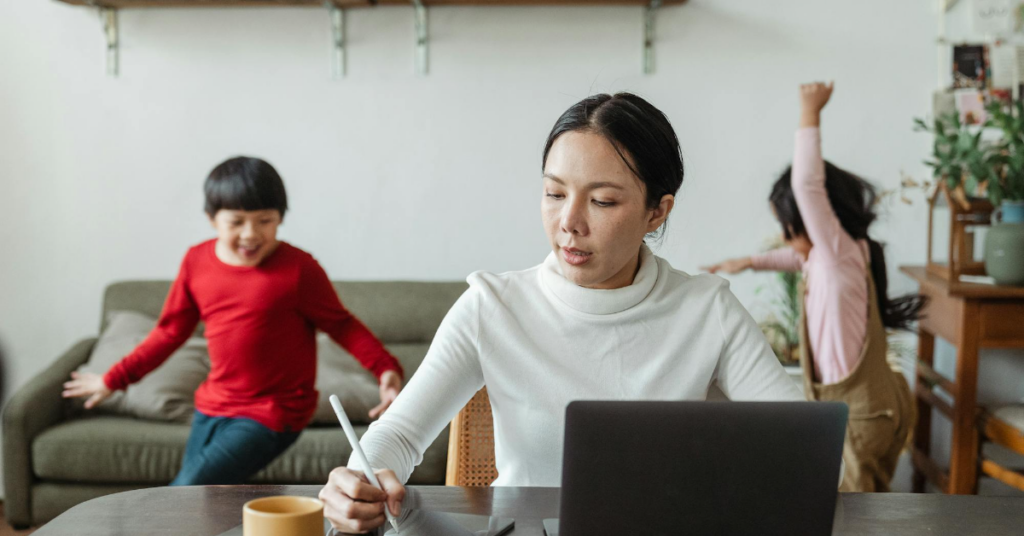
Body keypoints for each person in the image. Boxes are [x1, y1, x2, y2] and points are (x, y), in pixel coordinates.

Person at [318, 93, 804, 533]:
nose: (569, 222)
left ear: (657, 211)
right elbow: (400, 434)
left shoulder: (707, 309)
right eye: (554, 193)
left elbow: (799, 446)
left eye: (602, 201)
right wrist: (358, 481)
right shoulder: (493, 306)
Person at [62, 156, 405, 485]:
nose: (251, 234)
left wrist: (385, 369)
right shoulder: (196, 262)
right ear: (213, 218)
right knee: (202, 503)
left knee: (185, 492)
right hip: (213, 405)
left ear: (281, 218)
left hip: (274, 412)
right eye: (237, 222)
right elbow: (169, 332)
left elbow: (341, 325)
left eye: (264, 220)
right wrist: (114, 379)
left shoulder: (299, 269)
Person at [703, 82, 924, 492]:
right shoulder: (837, 258)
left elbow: (806, 185)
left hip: (861, 414)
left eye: (786, 228)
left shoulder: (837, 250)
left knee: (856, 515)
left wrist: (810, 113)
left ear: (813, 220)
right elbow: (795, 258)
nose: (786, 241)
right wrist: (749, 262)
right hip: (861, 407)